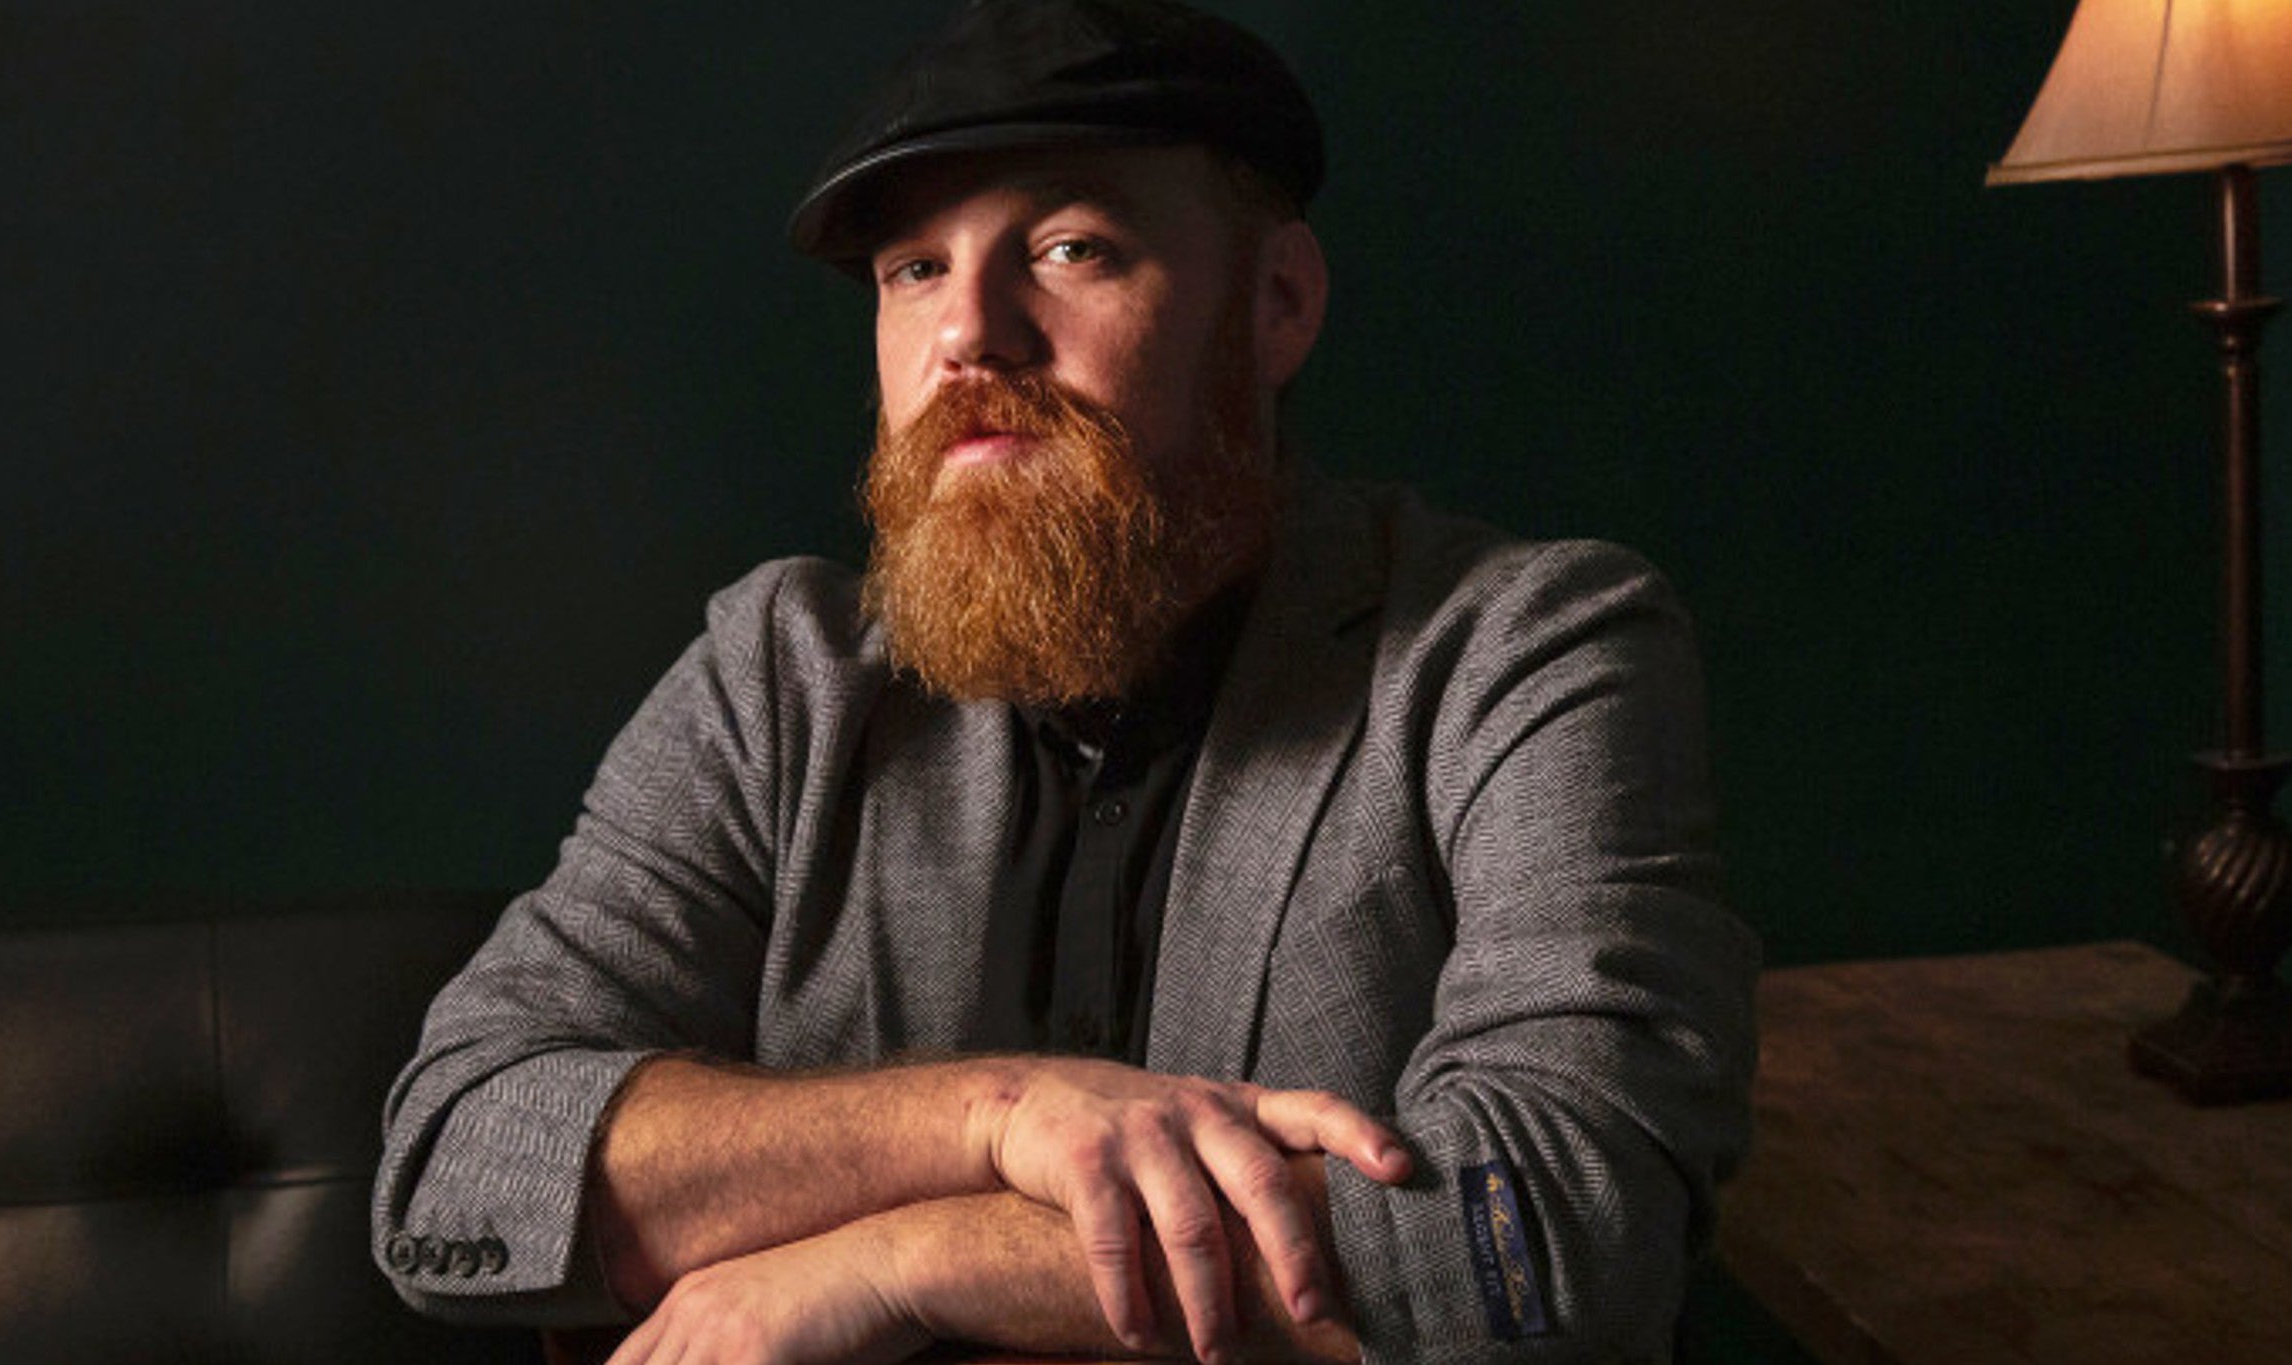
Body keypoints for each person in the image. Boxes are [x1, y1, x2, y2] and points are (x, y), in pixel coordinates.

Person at [372, 2, 1758, 1361]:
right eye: (914, 269)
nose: (969, 333)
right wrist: (999, 1117)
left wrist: (907, 1258)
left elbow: (1564, 1230)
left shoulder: (1525, 648)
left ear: (1275, 302)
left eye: (1069, 248)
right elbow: (461, 1164)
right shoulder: (776, 679)